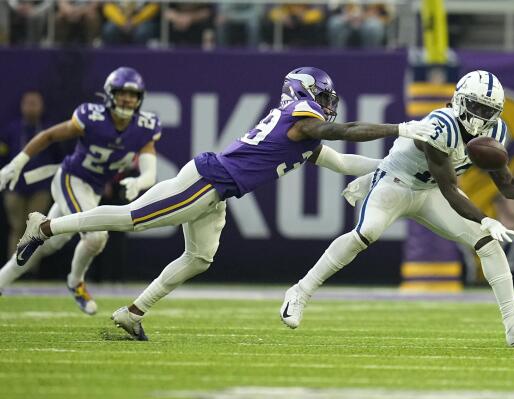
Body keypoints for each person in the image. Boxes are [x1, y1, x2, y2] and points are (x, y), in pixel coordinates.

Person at [14, 66, 436, 340]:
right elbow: (346, 132)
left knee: (199, 258)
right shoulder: (302, 120)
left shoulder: (304, 134)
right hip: (207, 181)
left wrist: (388, 166)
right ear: (305, 95)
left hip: (220, 191)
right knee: (132, 218)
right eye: (323, 97)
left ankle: (133, 312)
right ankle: (46, 226)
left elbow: (342, 160)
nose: (328, 105)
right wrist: (400, 127)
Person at [279, 70, 514, 348]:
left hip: (429, 191)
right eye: (476, 106)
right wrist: (485, 218)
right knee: (366, 233)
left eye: (489, 110)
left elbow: (506, 185)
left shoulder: (497, 132)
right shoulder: (441, 125)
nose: (481, 116)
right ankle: (300, 291)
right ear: (459, 101)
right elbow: (450, 189)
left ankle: (513, 325)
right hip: (396, 183)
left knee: (487, 243)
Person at [0, 67, 160, 315]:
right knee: (96, 237)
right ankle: (76, 283)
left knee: (47, 244)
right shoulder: (92, 117)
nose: (128, 99)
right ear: (110, 94)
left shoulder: (145, 127)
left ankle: (2, 279)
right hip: (70, 179)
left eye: (133, 94)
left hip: (91, 191)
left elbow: (150, 172)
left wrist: (138, 183)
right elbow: (49, 135)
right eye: (122, 93)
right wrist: (17, 163)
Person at [1, 91, 63, 257]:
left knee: (35, 229)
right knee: (17, 226)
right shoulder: (12, 130)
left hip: (41, 188)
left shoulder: (49, 130)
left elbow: (59, 158)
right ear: (21, 106)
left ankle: (29, 270)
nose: (31, 107)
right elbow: (3, 156)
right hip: (14, 187)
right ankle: (12, 269)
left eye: (35, 103)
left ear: (42, 106)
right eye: (28, 103)